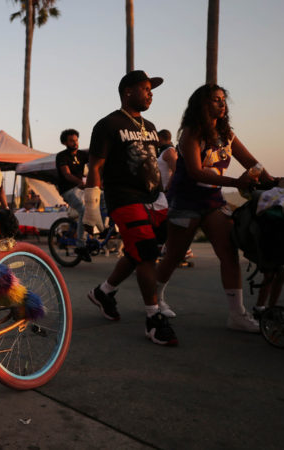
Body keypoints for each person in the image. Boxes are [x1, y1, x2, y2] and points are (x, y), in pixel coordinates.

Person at [156, 84, 274, 332]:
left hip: (212, 201)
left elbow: (251, 162)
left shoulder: (227, 133)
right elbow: (196, 171)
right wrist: (236, 182)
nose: (222, 104)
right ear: (202, 105)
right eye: (215, 100)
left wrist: (275, 184)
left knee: (228, 253)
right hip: (186, 201)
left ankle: (237, 314)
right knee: (175, 256)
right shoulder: (191, 133)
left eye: (223, 100)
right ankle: (155, 299)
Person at [83, 70, 178, 346]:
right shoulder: (108, 124)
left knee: (141, 252)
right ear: (128, 91)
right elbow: (96, 166)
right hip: (124, 198)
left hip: (154, 198)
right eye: (145, 88)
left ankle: (104, 292)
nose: (150, 93)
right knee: (147, 256)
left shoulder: (149, 125)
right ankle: (153, 319)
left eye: (151, 89)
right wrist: (92, 208)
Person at [157, 129, 193, 267]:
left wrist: (168, 189)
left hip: (168, 192)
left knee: (167, 222)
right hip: (162, 192)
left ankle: (184, 251)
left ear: (161, 138)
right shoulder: (164, 151)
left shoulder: (169, 152)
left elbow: (176, 169)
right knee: (164, 222)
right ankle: (169, 249)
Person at [56, 129, 89, 242]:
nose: (75, 143)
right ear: (65, 143)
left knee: (104, 199)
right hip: (68, 190)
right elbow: (67, 174)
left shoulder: (83, 155)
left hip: (81, 189)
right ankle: (81, 243)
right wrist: (81, 183)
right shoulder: (61, 156)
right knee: (83, 210)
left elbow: (95, 165)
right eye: (71, 141)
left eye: (76, 140)